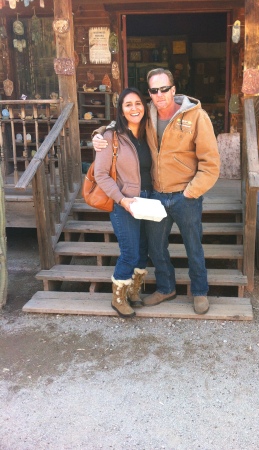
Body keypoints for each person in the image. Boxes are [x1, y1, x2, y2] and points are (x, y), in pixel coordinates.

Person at [93, 68, 220, 314]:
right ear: (150, 94)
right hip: (157, 196)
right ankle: (165, 287)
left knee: (193, 245)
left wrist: (191, 192)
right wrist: (99, 134)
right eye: (154, 90)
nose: (159, 94)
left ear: (173, 90)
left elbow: (211, 164)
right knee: (156, 247)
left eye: (164, 89)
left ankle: (200, 291)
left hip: (186, 195)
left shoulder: (196, 116)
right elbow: (123, 120)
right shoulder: (148, 114)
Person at [94, 87, 152, 318]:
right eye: (128, 104)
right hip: (123, 203)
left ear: (144, 106)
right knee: (129, 251)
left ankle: (133, 290)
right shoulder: (111, 137)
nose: (134, 108)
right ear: (121, 109)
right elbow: (101, 174)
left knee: (143, 250)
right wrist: (122, 199)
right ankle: (118, 298)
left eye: (138, 103)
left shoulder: (149, 132)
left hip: (148, 200)